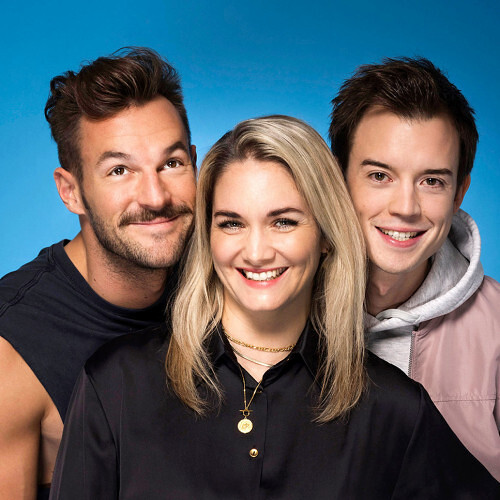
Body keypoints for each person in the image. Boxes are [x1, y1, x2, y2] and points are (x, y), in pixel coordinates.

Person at [51, 115, 498, 498]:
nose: (256, 252)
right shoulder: (117, 382)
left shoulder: (393, 408)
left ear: (325, 236)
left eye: (283, 222)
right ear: (209, 236)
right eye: (231, 224)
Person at [0, 47, 196, 499]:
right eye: (119, 170)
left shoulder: (231, 279)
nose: (155, 197)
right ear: (71, 191)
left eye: (171, 163)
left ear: (195, 162)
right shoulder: (11, 350)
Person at [329, 56, 500, 480]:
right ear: (337, 178)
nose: (405, 208)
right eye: (380, 176)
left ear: (459, 192)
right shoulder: (278, 302)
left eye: (432, 181)